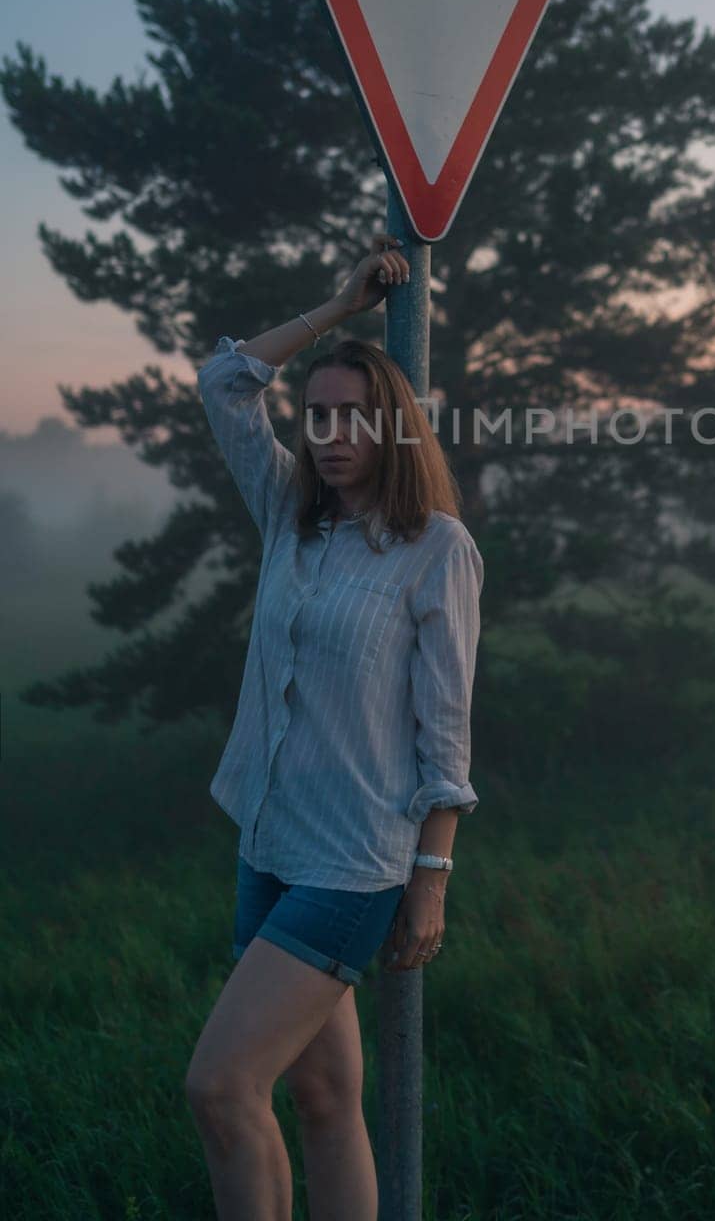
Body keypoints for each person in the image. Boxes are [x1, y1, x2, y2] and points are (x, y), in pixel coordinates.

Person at [184, 232, 484, 1220]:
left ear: (394, 427)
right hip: (268, 841)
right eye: (317, 415)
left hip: (353, 864)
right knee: (323, 1097)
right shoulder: (286, 514)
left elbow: (446, 731)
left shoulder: (433, 548)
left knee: (223, 1088)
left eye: (353, 414)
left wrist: (430, 878)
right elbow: (225, 382)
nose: (329, 432)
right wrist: (337, 308)